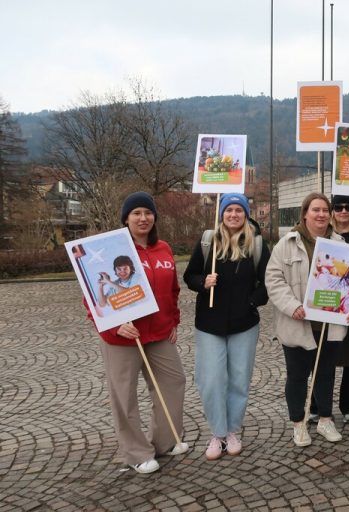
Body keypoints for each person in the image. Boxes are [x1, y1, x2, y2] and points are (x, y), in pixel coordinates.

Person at [86, 191, 188, 474]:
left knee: (173, 383)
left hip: (159, 334)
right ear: (126, 219)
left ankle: (163, 442)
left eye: (148, 213)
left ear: (154, 217)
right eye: (136, 213)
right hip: (122, 337)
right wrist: (115, 324)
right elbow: (93, 295)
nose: (143, 218)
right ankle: (135, 452)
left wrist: (174, 321)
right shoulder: (110, 249)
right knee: (124, 396)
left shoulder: (164, 248)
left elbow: (172, 290)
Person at [265, 192, 349, 447]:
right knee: (297, 376)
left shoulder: (340, 244)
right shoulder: (287, 243)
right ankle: (299, 423)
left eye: (324, 210)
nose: (321, 214)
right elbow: (273, 281)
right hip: (298, 322)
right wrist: (292, 306)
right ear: (305, 213)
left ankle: (325, 420)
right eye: (315, 210)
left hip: (330, 324)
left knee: (325, 374)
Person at [183, 193, 270, 460]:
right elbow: (189, 276)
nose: (233, 214)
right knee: (210, 380)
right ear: (221, 213)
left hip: (244, 324)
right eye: (229, 210)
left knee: (238, 380)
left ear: (246, 214)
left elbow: (267, 284)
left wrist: (251, 303)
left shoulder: (255, 244)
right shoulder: (208, 241)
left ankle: (232, 431)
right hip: (209, 323)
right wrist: (203, 283)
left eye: (239, 210)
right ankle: (217, 433)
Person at [309, 195, 349, 424]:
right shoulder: (323, 233)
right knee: (323, 357)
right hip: (328, 299)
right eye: (339, 207)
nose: (343, 211)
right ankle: (318, 405)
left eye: (348, 207)